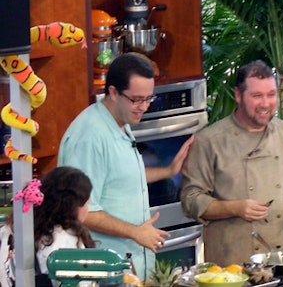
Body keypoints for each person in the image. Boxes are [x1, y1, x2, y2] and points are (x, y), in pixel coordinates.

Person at [57, 53, 193, 280]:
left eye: (149, 98)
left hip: (131, 267)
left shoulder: (121, 121)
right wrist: (135, 232)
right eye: (136, 99)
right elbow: (83, 211)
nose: (144, 107)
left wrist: (169, 171)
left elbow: (120, 177)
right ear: (112, 92)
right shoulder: (89, 136)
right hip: (104, 270)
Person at [180, 60, 283, 266]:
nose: (266, 104)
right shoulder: (210, 141)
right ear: (238, 96)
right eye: (257, 96)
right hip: (233, 267)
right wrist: (234, 208)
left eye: (271, 95)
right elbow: (190, 199)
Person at [34, 166, 96, 286]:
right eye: (87, 203)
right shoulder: (64, 241)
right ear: (74, 206)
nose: (87, 209)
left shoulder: (35, 229)